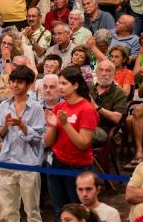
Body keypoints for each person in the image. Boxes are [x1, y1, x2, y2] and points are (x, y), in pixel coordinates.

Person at [0, 65, 44, 222]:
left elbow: (38, 137)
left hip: (29, 164)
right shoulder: (4, 105)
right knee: (8, 211)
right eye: (12, 82)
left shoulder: (36, 108)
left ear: (28, 85)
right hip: (6, 162)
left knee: (32, 211)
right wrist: (6, 126)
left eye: (19, 82)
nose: (14, 85)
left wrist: (21, 126)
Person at [44, 67, 98, 219]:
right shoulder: (59, 107)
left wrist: (65, 124)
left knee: (77, 212)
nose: (60, 87)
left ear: (75, 85)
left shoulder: (87, 109)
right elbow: (48, 142)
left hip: (77, 166)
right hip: (56, 162)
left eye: (64, 83)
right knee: (58, 211)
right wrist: (53, 126)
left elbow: (83, 144)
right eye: (59, 83)